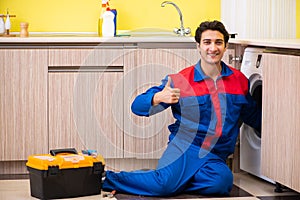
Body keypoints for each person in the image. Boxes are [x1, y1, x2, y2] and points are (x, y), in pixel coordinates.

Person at [102, 20, 261, 197]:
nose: (213, 48)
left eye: (218, 42)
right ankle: (109, 178)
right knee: (163, 186)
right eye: (207, 42)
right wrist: (157, 97)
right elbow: (137, 106)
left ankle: (168, 180)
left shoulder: (239, 81)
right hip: (185, 147)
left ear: (225, 47)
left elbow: (252, 115)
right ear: (198, 46)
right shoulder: (181, 80)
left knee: (221, 184)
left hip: (216, 153)